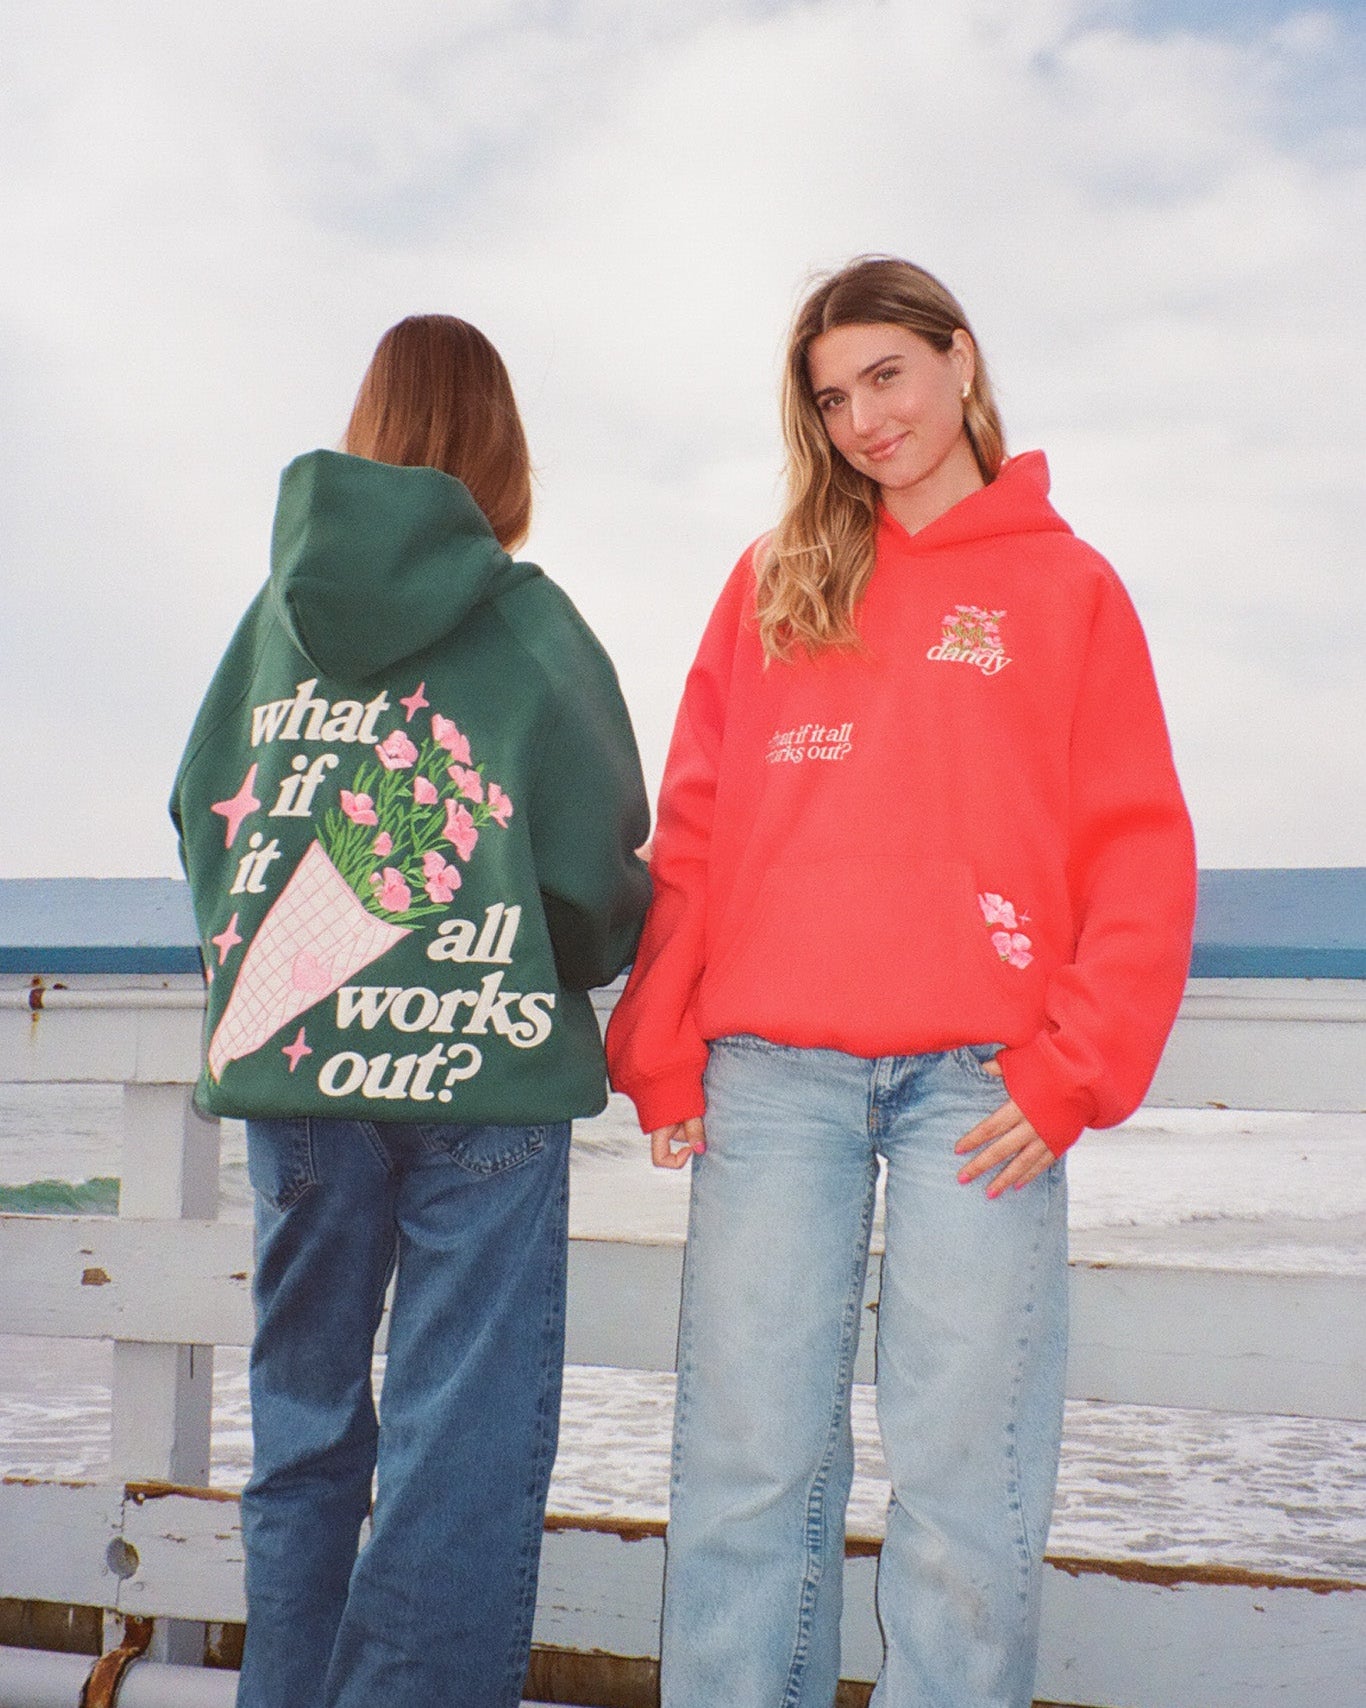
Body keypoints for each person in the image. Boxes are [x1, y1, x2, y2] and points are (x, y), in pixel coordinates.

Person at [606, 257, 1197, 1708]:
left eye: (884, 375)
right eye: (830, 397)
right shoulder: (772, 577)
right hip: (773, 1076)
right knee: (745, 1473)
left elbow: (1135, 849)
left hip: (979, 1097)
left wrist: (1069, 1075)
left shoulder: (1068, 587)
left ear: (958, 360)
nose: (863, 418)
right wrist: (659, 1046)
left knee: (962, 1492)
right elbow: (691, 832)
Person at [171, 314, 651, 1708]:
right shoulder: (528, 619)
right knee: (461, 1441)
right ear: (501, 449)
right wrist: (553, 947)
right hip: (482, 1083)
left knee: (305, 1428)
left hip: (302, 1078)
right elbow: (588, 868)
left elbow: (200, 815)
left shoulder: (270, 625)